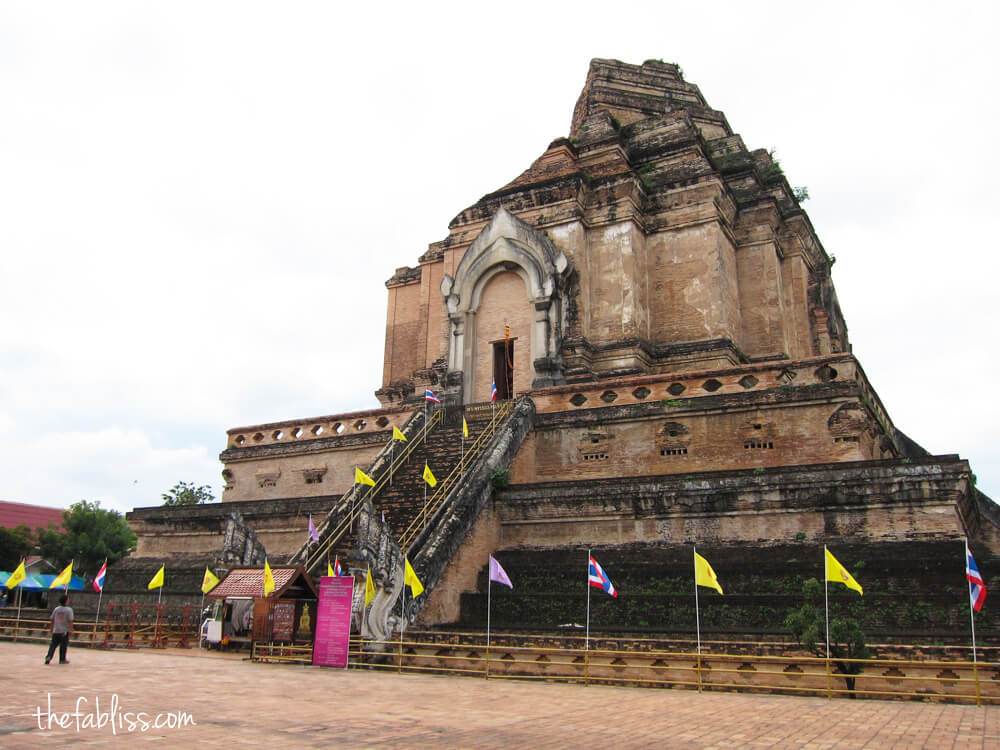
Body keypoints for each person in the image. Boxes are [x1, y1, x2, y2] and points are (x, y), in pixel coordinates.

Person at [44, 594, 73, 665]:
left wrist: (51, 628)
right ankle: (62, 659)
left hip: (56, 630)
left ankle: (48, 657)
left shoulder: (56, 609)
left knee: (53, 645)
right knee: (63, 645)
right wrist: (71, 630)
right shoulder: (69, 610)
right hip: (64, 631)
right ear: (66, 601)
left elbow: (52, 619)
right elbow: (70, 621)